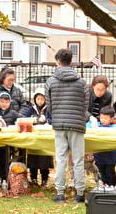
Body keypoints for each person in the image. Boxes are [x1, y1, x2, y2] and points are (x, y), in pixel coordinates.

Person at [46, 48, 89, 204]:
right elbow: (85, 105)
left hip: (59, 124)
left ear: (58, 61)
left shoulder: (50, 81)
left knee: (61, 158)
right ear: (71, 62)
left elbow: (49, 106)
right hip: (77, 123)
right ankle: (79, 193)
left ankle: (60, 193)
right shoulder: (82, 82)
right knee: (78, 159)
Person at [23, 88, 53, 186]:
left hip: (45, 137)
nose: (40, 101)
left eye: (42, 99)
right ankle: (33, 178)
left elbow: (53, 119)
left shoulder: (49, 109)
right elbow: (25, 119)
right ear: (35, 99)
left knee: (45, 159)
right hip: (34, 138)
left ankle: (45, 179)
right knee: (33, 159)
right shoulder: (31, 109)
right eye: (38, 99)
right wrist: (34, 120)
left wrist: (47, 120)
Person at [0, 93, 22, 188]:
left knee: (6, 160)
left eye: (6, 102)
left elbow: (21, 119)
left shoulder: (13, 113)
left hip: (9, 143)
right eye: (2, 102)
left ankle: (5, 178)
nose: (4, 104)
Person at [88, 106, 116, 186]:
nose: (103, 120)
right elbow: (87, 126)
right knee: (101, 171)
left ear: (112, 119)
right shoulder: (96, 125)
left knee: (110, 171)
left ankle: (112, 186)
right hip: (99, 154)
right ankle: (104, 186)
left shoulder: (115, 128)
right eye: (101, 118)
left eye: (105, 118)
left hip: (111, 155)